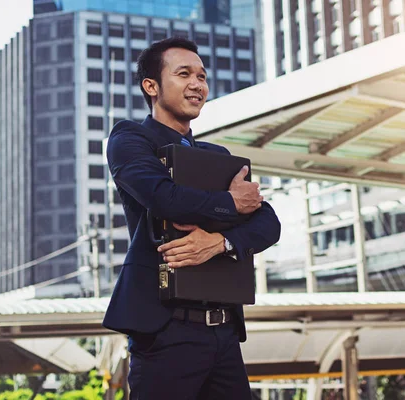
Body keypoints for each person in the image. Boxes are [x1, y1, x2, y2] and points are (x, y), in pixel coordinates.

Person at [102, 37, 281, 399]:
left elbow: (268, 223)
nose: (197, 84)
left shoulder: (218, 157)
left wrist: (221, 242)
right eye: (183, 74)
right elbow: (164, 198)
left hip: (224, 331)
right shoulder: (129, 139)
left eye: (201, 76)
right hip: (165, 331)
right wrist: (231, 204)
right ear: (150, 86)